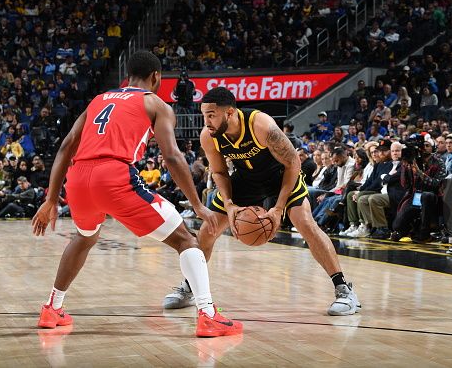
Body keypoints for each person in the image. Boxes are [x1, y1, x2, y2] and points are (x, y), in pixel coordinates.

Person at [31, 51, 241, 337]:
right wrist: (197, 205)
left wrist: (52, 199)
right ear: (156, 77)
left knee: (85, 237)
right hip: (113, 175)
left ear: (126, 77)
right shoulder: (155, 104)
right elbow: (173, 157)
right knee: (186, 240)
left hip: (78, 178)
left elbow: (67, 145)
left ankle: (52, 307)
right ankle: (208, 314)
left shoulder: (98, 100)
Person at [164, 87, 361, 316]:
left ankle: (344, 289)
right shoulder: (209, 136)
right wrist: (228, 204)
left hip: (281, 176)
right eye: (204, 115)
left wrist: (278, 209)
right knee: (208, 230)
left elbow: (293, 164)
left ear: (229, 113)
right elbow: (219, 172)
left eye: (211, 115)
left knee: (305, 223)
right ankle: (190, 286)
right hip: (245, 180)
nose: (206, 121)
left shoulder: (261, 125)